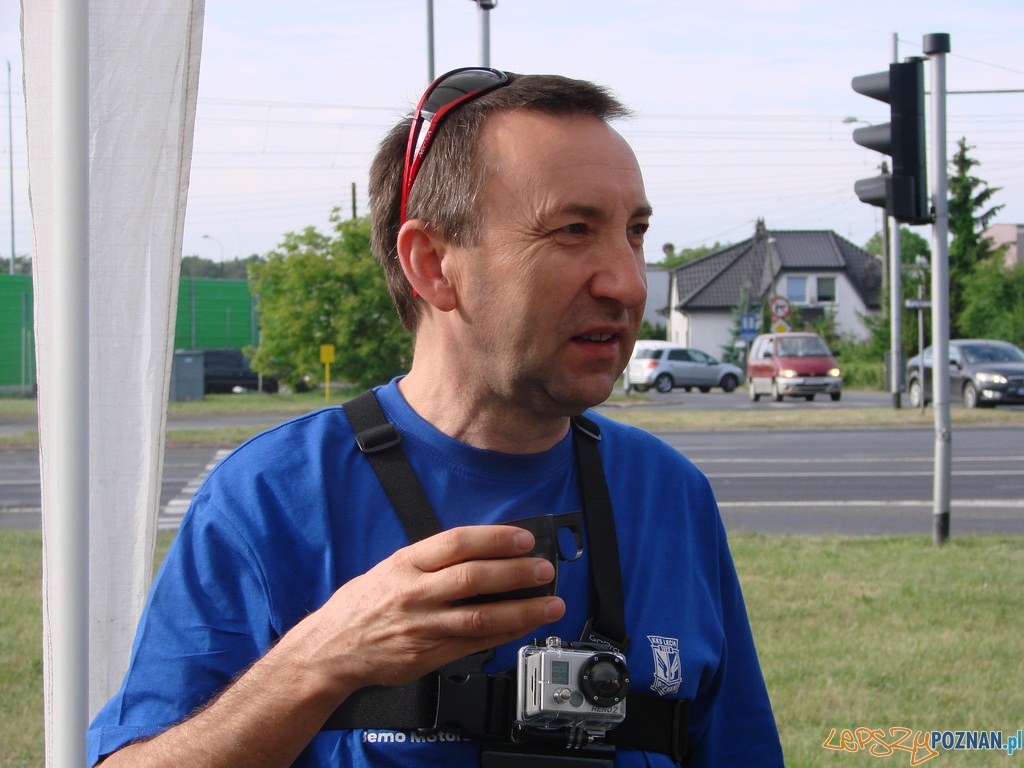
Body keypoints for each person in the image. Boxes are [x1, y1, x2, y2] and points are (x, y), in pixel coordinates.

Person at [88, 69, 784, 767]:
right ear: (432, 264)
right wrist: (318, 663)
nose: (628, 282)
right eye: (573, 231)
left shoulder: (668, 494)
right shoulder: (274, 494)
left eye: (633, 233)